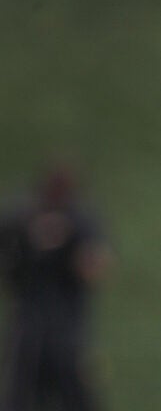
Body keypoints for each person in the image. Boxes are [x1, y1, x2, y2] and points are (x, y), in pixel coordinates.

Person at [0, 162, 112, 411]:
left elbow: (96, 266)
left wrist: (69, 246)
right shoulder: (22, 219)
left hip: (66, 326)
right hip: (28, 324)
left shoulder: (80, 222)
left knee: (76, 395)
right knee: (18, 394)